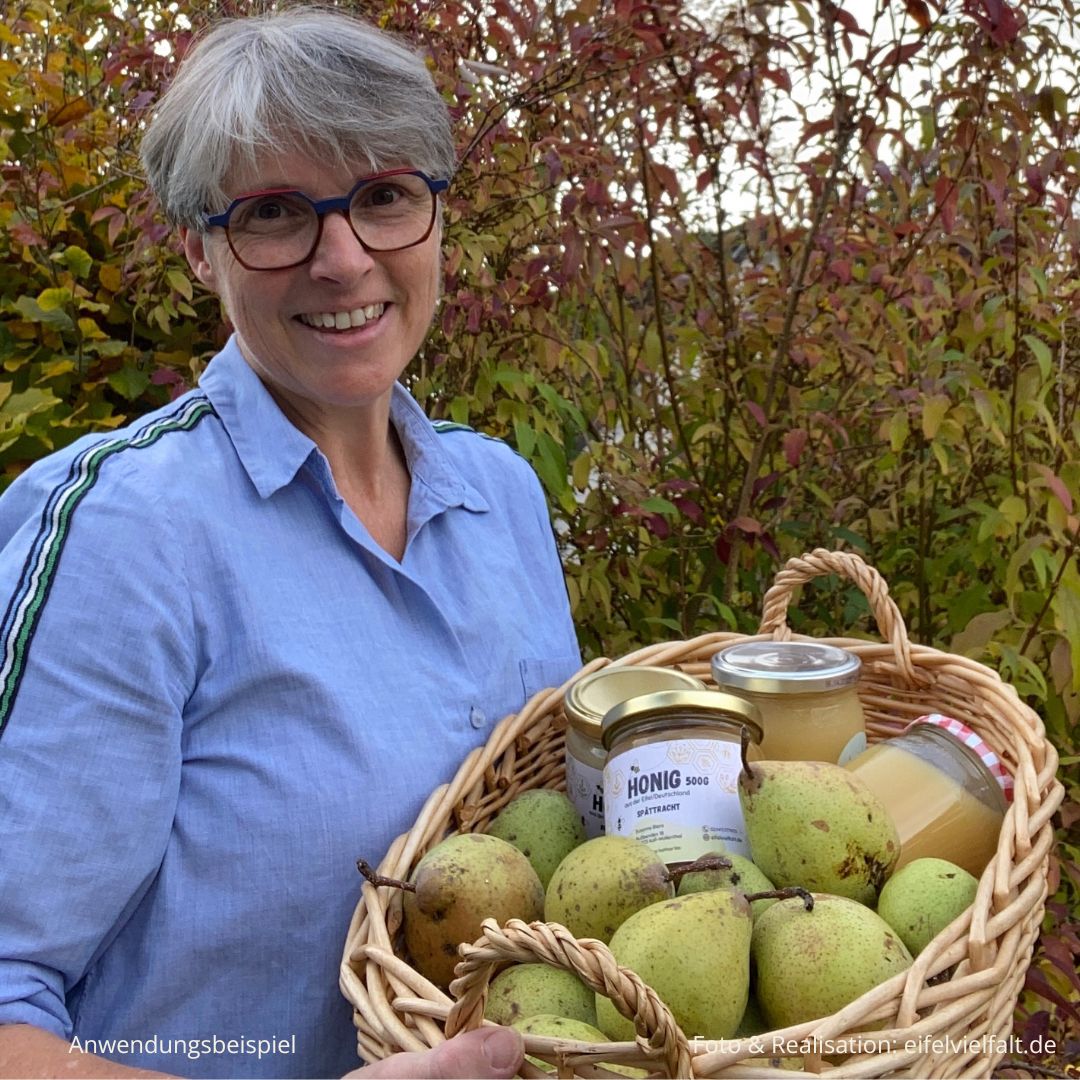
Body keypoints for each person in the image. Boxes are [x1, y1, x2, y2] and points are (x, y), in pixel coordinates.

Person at [0, 7, 581, 1078]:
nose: (343, 258)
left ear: (437, 216)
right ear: (198, 245)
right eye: (274, 214)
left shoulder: (501, 495)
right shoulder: (128, 535)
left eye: (385, 197)